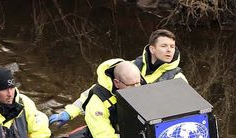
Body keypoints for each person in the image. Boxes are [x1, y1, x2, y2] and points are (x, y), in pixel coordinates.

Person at [48, 29, 185, 126]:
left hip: (152, 127)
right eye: (164, 46)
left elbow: (184, 110)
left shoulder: (177, 78)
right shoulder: (130, 67)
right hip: (123, 121)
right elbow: (98, 91)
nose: (169, 50)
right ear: (152, 49)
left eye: (172, 46)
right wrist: (71, 111)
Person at [76, 59, 143, 138]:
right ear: (117, 83)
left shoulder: (138, 84)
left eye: (138, 83)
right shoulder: (97, 102)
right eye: (132, 85)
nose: (137, 88)